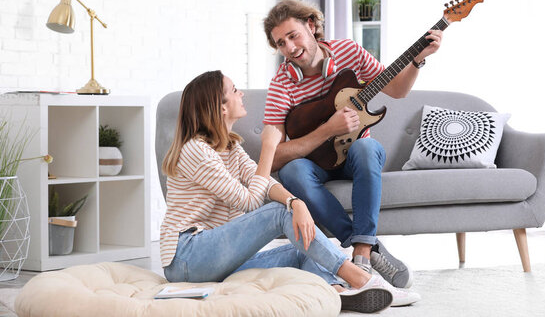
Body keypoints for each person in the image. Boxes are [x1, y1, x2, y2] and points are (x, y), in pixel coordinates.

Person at [159, 70, 421, 314]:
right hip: (187, 257)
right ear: (221, 106)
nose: (242, 94)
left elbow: (264, 183)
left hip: (217, 261)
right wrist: (269, 150)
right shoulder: (197, 151)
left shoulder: (230, 148)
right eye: (235, 90)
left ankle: (336, 290)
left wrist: (296, 203)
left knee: (302, 250)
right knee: (277, 212)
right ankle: (364, 279)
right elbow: (251, 201)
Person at [262, 0, 443, 288]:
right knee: (292, 172)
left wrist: (418, 60)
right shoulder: (281, 84)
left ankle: (359, 252)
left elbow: (397, 90)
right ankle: (368, 249)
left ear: (311, 25)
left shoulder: (348, 51)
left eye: (293, 36)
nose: (290, 48)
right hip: (315, 164)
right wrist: (327, 130)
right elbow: (273, 158)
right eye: (281, 43)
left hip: (356, 155)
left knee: (367, 147)